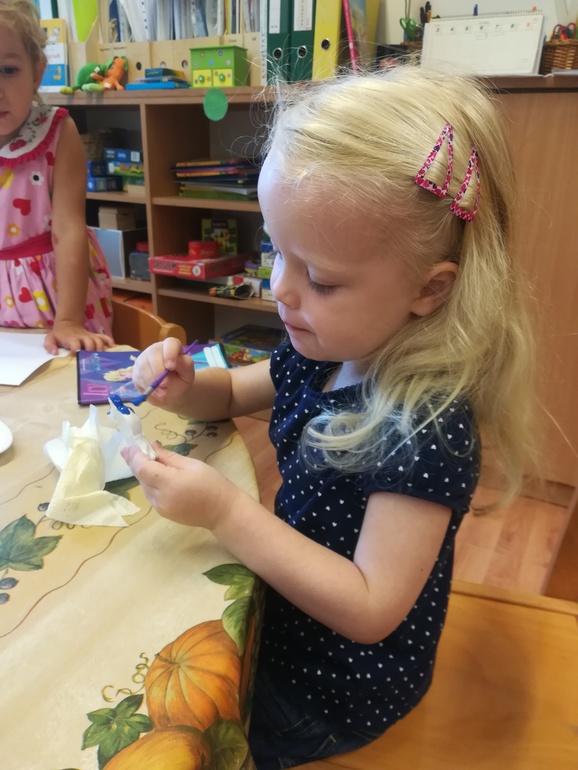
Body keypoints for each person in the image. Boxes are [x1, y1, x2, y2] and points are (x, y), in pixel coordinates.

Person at [121, 67, 538, 768]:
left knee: (180, 732)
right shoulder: (326, 350)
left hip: (333, 690)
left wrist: (225, 511)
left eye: (320, 278)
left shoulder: (424, 427)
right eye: (276, 250)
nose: (280, 289)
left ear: (430, 290)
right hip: (286, 617)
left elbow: (371, 607)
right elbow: (229, 395)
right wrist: (183, 384)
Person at [0, 0, 114, 353]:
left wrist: (68, 321)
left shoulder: (58, 132)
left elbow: (68, 230)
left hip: (57, 303)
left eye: (8, 70)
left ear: (37, 71)